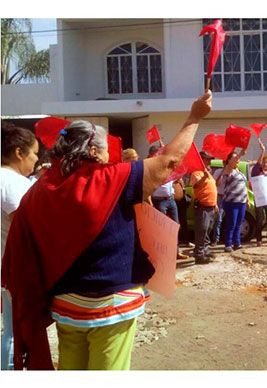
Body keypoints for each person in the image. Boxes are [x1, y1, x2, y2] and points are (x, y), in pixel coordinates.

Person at [1, 92, 212, 370]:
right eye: (104, 149)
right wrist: (195, 116)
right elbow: (170, 161)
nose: (108, 154)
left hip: (66, 307)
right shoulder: (113, 178)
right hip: (110, 305)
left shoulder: (41, 189)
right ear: (92, 151)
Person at [1, 123, 39, 370]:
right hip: (15, 268)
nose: (36, 159)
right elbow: (26, 225)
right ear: (19, 153)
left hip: (8, 266)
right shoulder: (11, 182)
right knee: (16, 332)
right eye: (34, 153)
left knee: (11, 329)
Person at [189, 151, 218, 264]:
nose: (210, 161)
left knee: (207, 230)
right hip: (203, 206)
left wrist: (215, 204)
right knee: (201, 231)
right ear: (201, 159)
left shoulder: (207, 172)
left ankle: (205, 251)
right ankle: (199, 255)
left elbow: (211, 188)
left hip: (210, 206)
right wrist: (204, 176)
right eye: (207, 159)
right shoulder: (196, 173)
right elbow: (195, 185)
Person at [221, 147, 248, 252]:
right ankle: (228, 244)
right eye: (234, 159)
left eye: (238, 159)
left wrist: (247, 200)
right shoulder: (228, 170)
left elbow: (244, 186)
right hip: (231, 202)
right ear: (229, 161)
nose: (237, 160)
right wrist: (240, 153)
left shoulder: (239, 171)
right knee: (231, 223)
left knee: (238, 223)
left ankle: (237, 243)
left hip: (242, 202)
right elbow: (232, 163)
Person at [251, 139, 267, 247]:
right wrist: (263, 150)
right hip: (259, 200)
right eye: (264, 162)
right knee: (259, 220)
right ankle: (259, 240)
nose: (266, 164)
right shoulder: (256, 170)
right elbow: (258, 163)